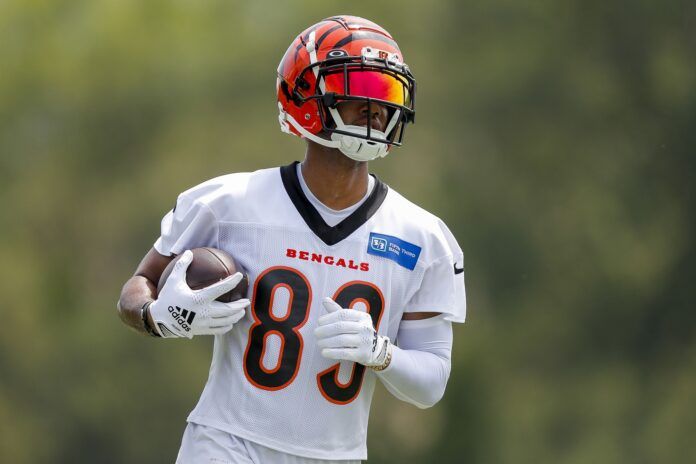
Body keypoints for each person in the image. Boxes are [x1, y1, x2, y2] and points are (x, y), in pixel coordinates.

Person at [117, 15, 466, 464]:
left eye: (386, 94)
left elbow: (432, 381)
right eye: (359, 88)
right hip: (225, 443)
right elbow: (137, 285)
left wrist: (382, 354)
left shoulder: (423, 237)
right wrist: (157, 315)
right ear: (306, 97)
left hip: (336, 456)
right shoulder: (229, 202)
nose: (375, 108)